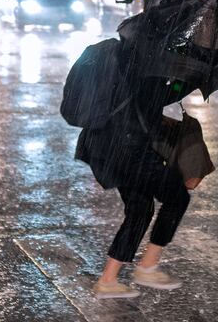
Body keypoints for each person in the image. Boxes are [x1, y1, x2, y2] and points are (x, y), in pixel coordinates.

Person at [76, 49, 192, 300]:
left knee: (140, 207)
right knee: (177, 195)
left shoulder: (125, 55)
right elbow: (159, 95)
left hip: (103, 145)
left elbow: (141, 101)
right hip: (128, 149)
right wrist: (191, 79)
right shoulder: (147, 61)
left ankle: (108, 280)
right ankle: (147, 267)